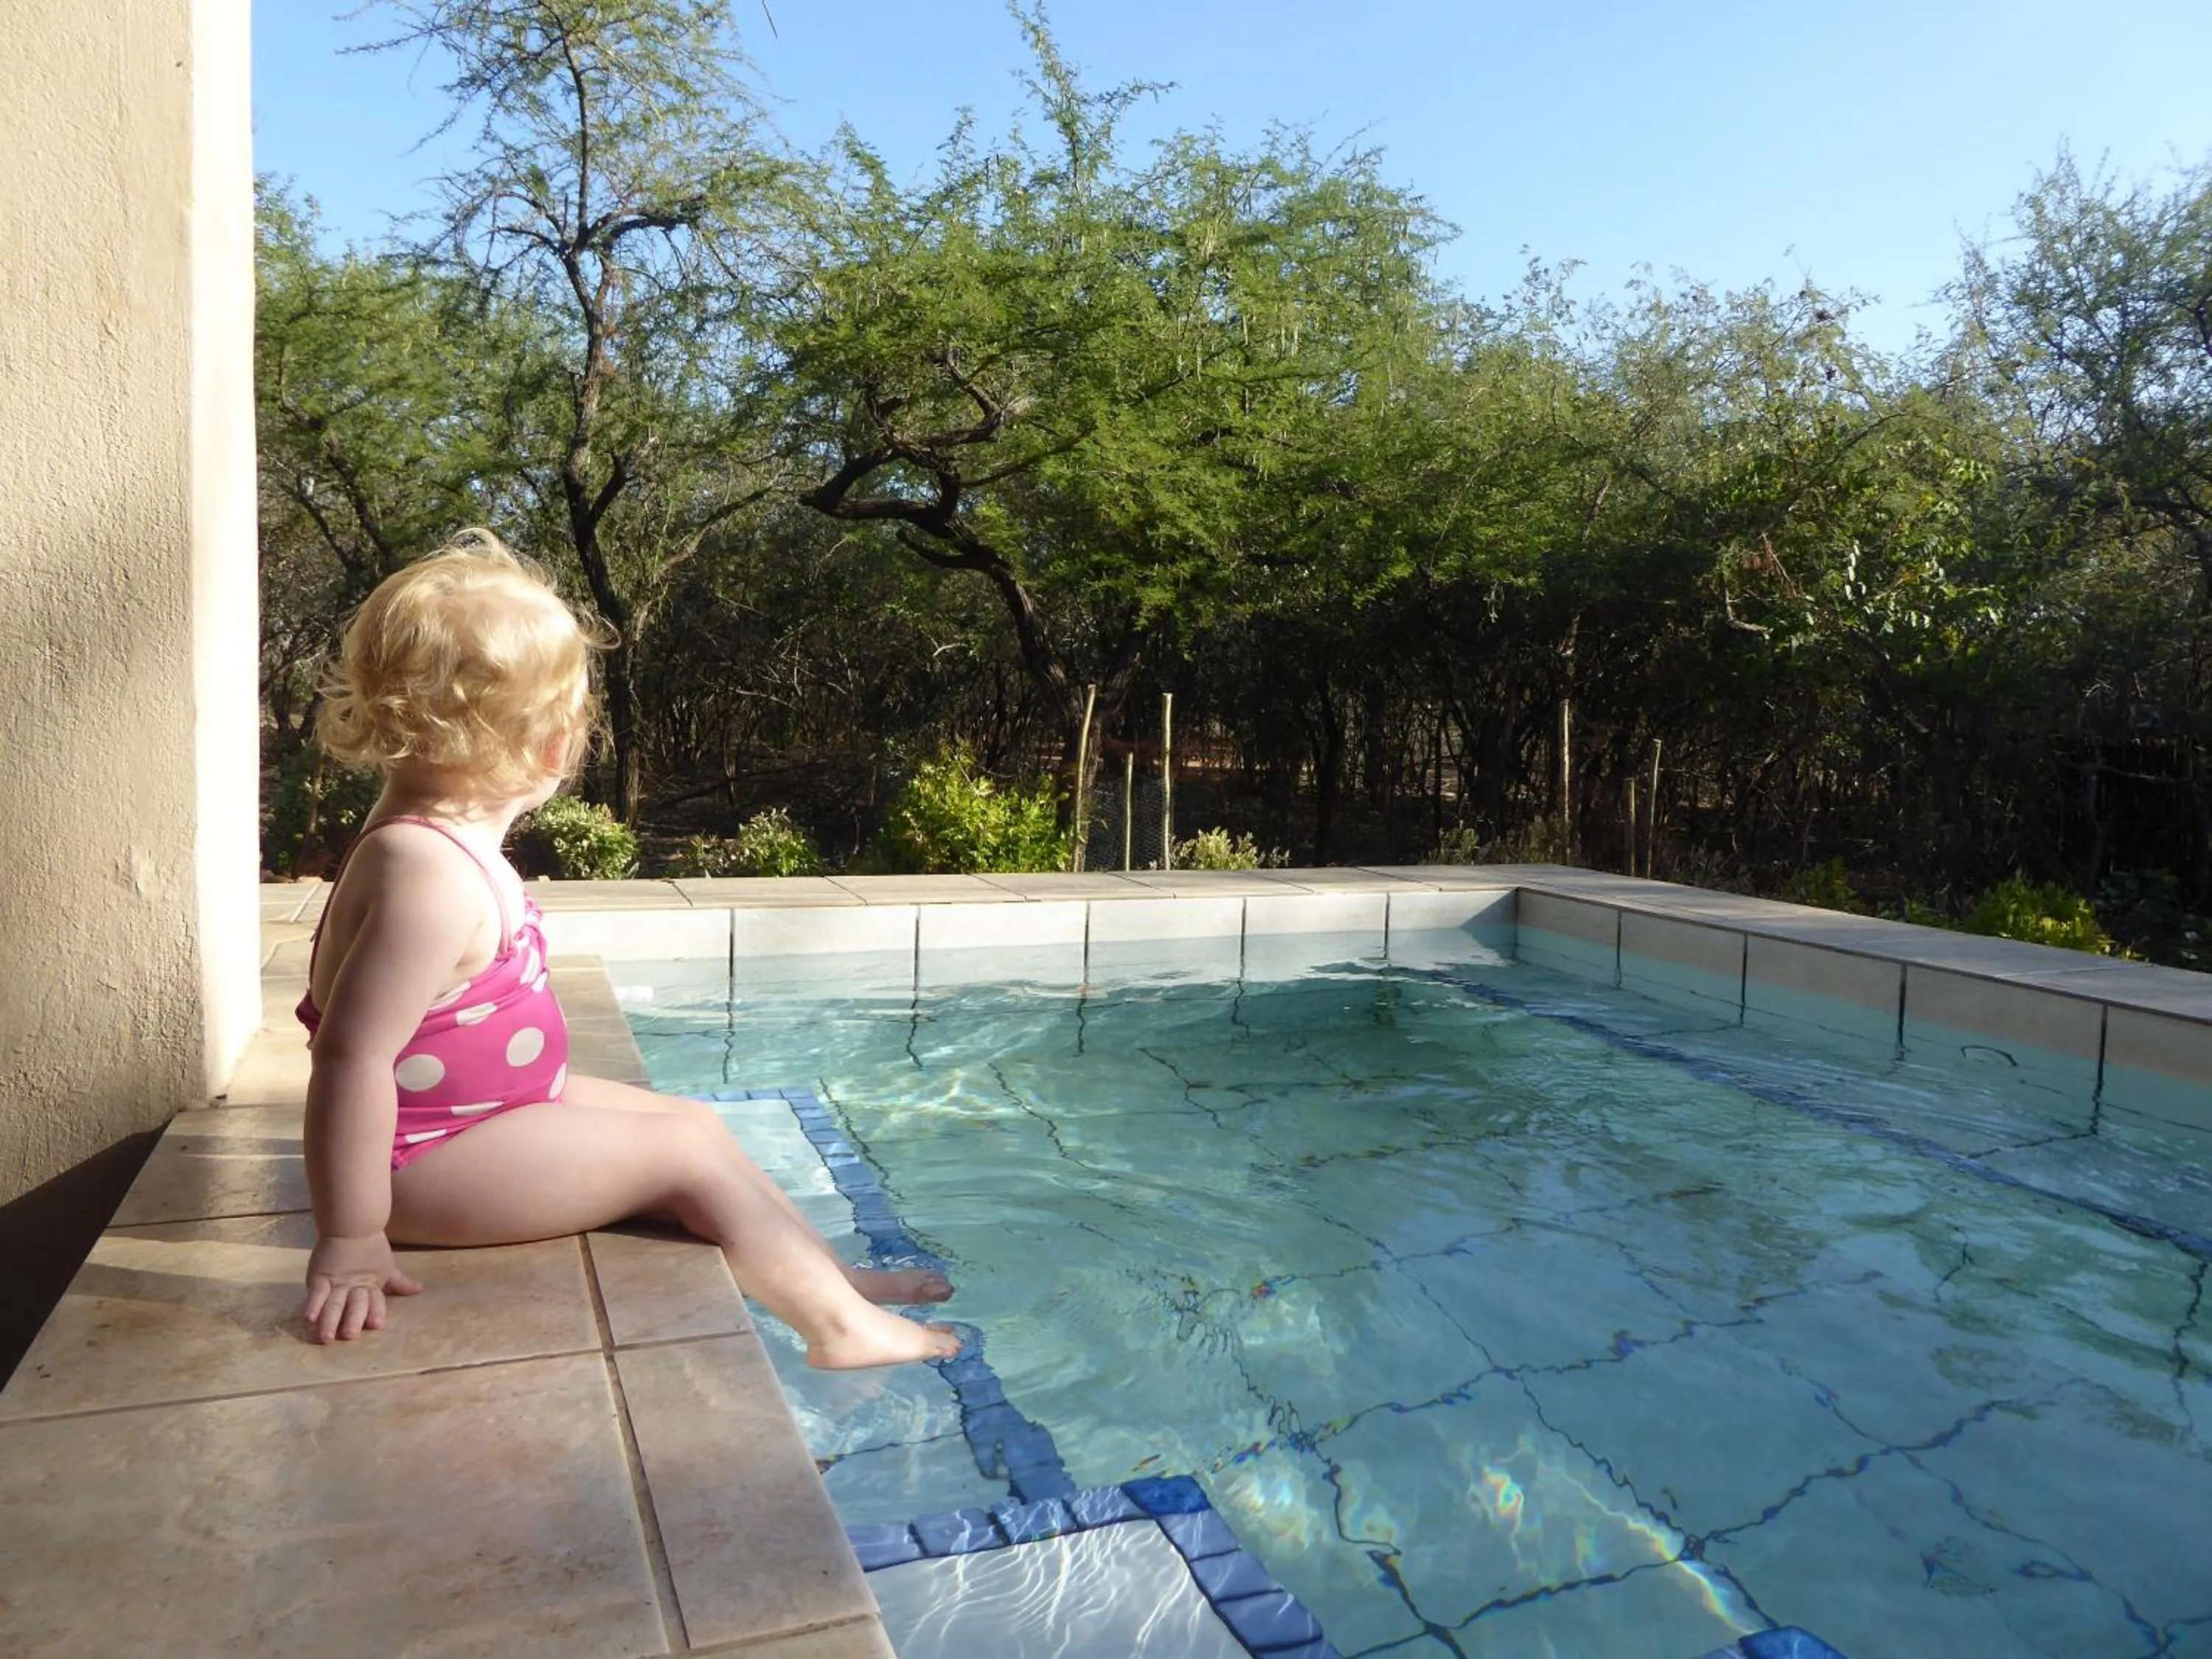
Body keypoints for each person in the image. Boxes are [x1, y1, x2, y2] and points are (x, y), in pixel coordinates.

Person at [294, 530, 960, 1368]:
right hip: (420, 1166)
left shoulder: (434, 844)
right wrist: (352, 1233)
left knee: (695, 1123)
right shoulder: (426, 871)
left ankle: (822, 1274)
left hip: (483, 1116)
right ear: (550, 746)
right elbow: (352, 1059)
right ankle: (839, 1329)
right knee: (678, 1156)